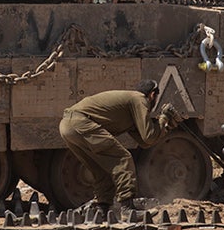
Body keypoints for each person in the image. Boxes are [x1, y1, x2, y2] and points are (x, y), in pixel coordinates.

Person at [58, 79, 182, 215]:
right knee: (123, 158)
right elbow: (149, 136)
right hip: (81, 123)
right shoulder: (139, 99)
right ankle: (127, 207)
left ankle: (102, 207)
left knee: (101, 169)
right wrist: (164, 118)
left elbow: (146, 142)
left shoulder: (129, 104)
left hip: (67, 126)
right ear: (152, 95)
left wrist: (165, 127)